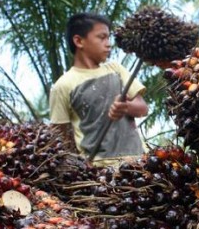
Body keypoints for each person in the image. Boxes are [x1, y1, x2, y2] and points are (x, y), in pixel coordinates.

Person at [49, 12, 148, 165]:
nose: (108, 43)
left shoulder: (116, 69)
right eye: (102, 37)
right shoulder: (62, 86)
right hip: (100, 173)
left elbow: (143, 109)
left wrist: (126, 107)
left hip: (140, 160)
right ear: (79, 41)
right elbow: (60, 138)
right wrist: (79, 167)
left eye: (109, 38)